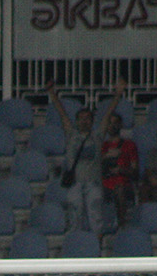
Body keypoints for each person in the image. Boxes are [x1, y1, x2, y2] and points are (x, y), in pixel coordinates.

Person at [48, 79, 123, 235]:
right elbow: (62, 114)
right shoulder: (71, 135)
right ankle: (74, 245)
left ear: (92, 121)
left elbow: (108, 115)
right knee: (74, 217)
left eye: (88, 118)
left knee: (96, 218)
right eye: (81, 118)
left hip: (93, 183)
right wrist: (52, 93)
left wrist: (118, 95)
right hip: (74, 183)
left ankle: (97, 245)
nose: (84, 121)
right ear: (77, 121)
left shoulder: (97, 136)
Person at [97, 80, 137, 229]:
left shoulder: (129, 145)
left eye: (115, 123)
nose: (112, 125)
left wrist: (121, 170)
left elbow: (135, 171)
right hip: (105, 185)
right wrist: (105, 158)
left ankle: (122, 225)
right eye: (110, 122)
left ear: (120, 125)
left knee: (119, 189)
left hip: (123, 184)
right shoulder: (102, 146)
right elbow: (95, 168)